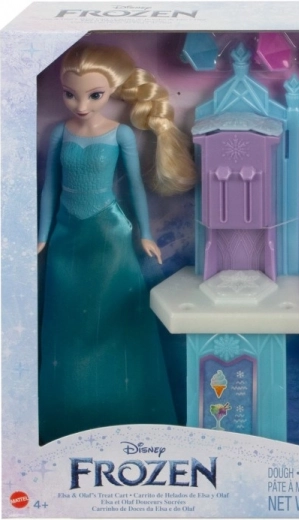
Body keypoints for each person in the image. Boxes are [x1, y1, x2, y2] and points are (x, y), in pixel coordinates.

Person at [37, 44, 195, 444]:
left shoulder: (120, 133)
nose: (81, 105)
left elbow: (135, 186)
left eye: (94, 95)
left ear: (112, 91)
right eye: (70, 94)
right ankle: (68, 413)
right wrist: (41, 236)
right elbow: (50, 187)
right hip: (65, 236)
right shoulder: (60, 132)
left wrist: (145, 233)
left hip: (109, 235)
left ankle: (125, 410)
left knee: (115, 321)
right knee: (67, 325)